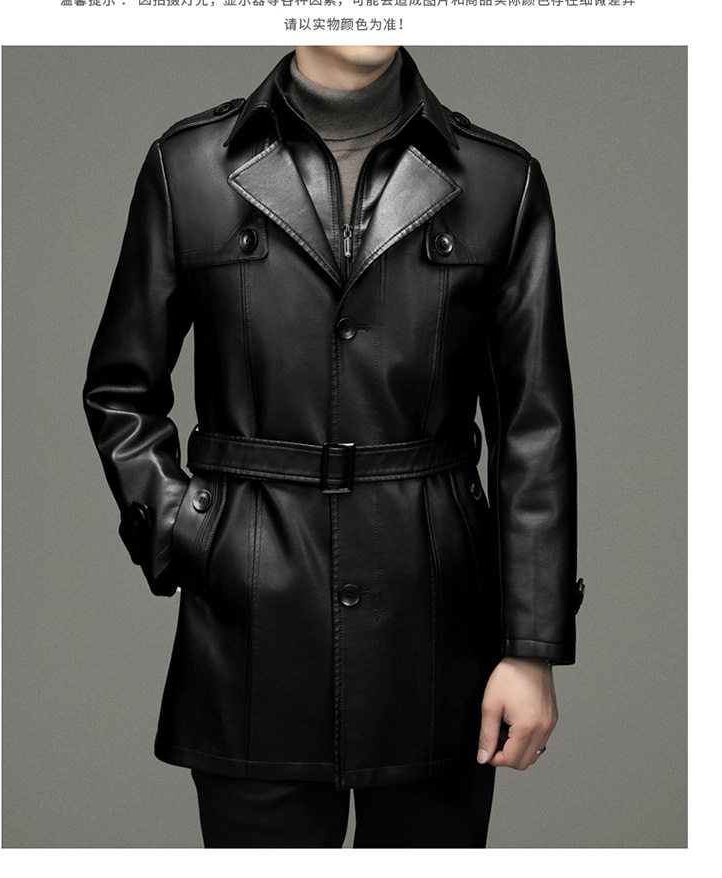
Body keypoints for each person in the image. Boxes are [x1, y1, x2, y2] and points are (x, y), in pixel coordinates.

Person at [83, 45, 583, 848]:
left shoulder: (500, 180)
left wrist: (530, 648)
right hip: (250, 620)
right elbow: (120, 388)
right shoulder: (190, 168)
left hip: (436, 629)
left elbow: (535, 428)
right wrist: (188, 532)